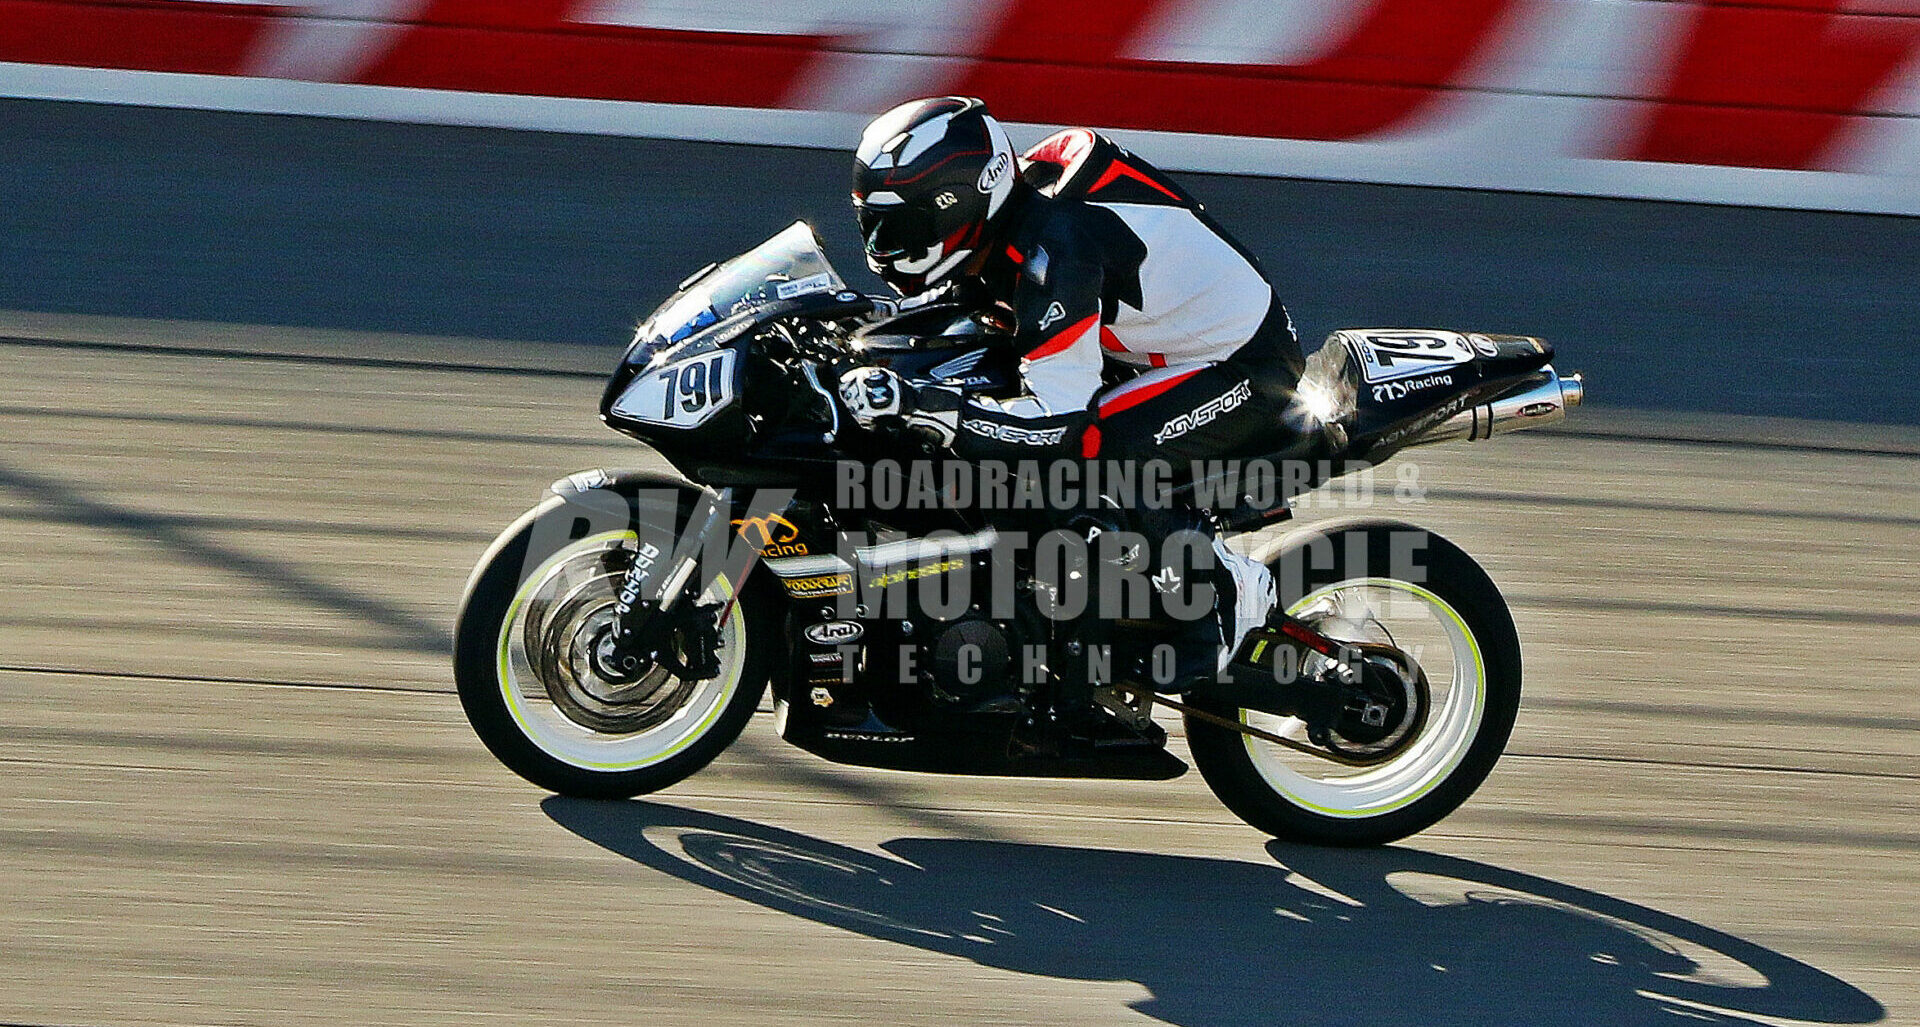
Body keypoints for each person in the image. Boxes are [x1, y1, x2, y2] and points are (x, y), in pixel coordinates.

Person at [835, 95, 1303, 721]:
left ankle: (1226, 588)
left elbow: (1061, 421)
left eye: (902, 226)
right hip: (1147, 343)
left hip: (1238, 362)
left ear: (957, 205)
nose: (885, 245)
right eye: (874, 225)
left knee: (1096, 449)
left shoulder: (1059, 248)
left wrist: (938, 410)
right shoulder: (1006, 217)